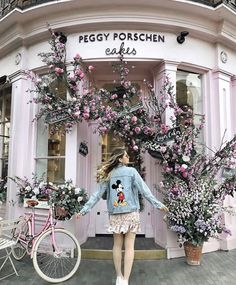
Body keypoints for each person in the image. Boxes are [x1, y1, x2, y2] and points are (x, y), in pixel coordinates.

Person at [76, 147, 168, 285]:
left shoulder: (109, 174)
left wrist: (84, 210)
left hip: (115, 214)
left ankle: (119, 276)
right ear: (120, 158)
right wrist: (158, 205)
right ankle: (125, 279)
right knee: (130, 246)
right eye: (125, 155)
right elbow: (145, 191)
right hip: (131, 213)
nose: (128, 157)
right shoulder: (131, 172)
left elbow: (96, 195)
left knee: (117, 245)